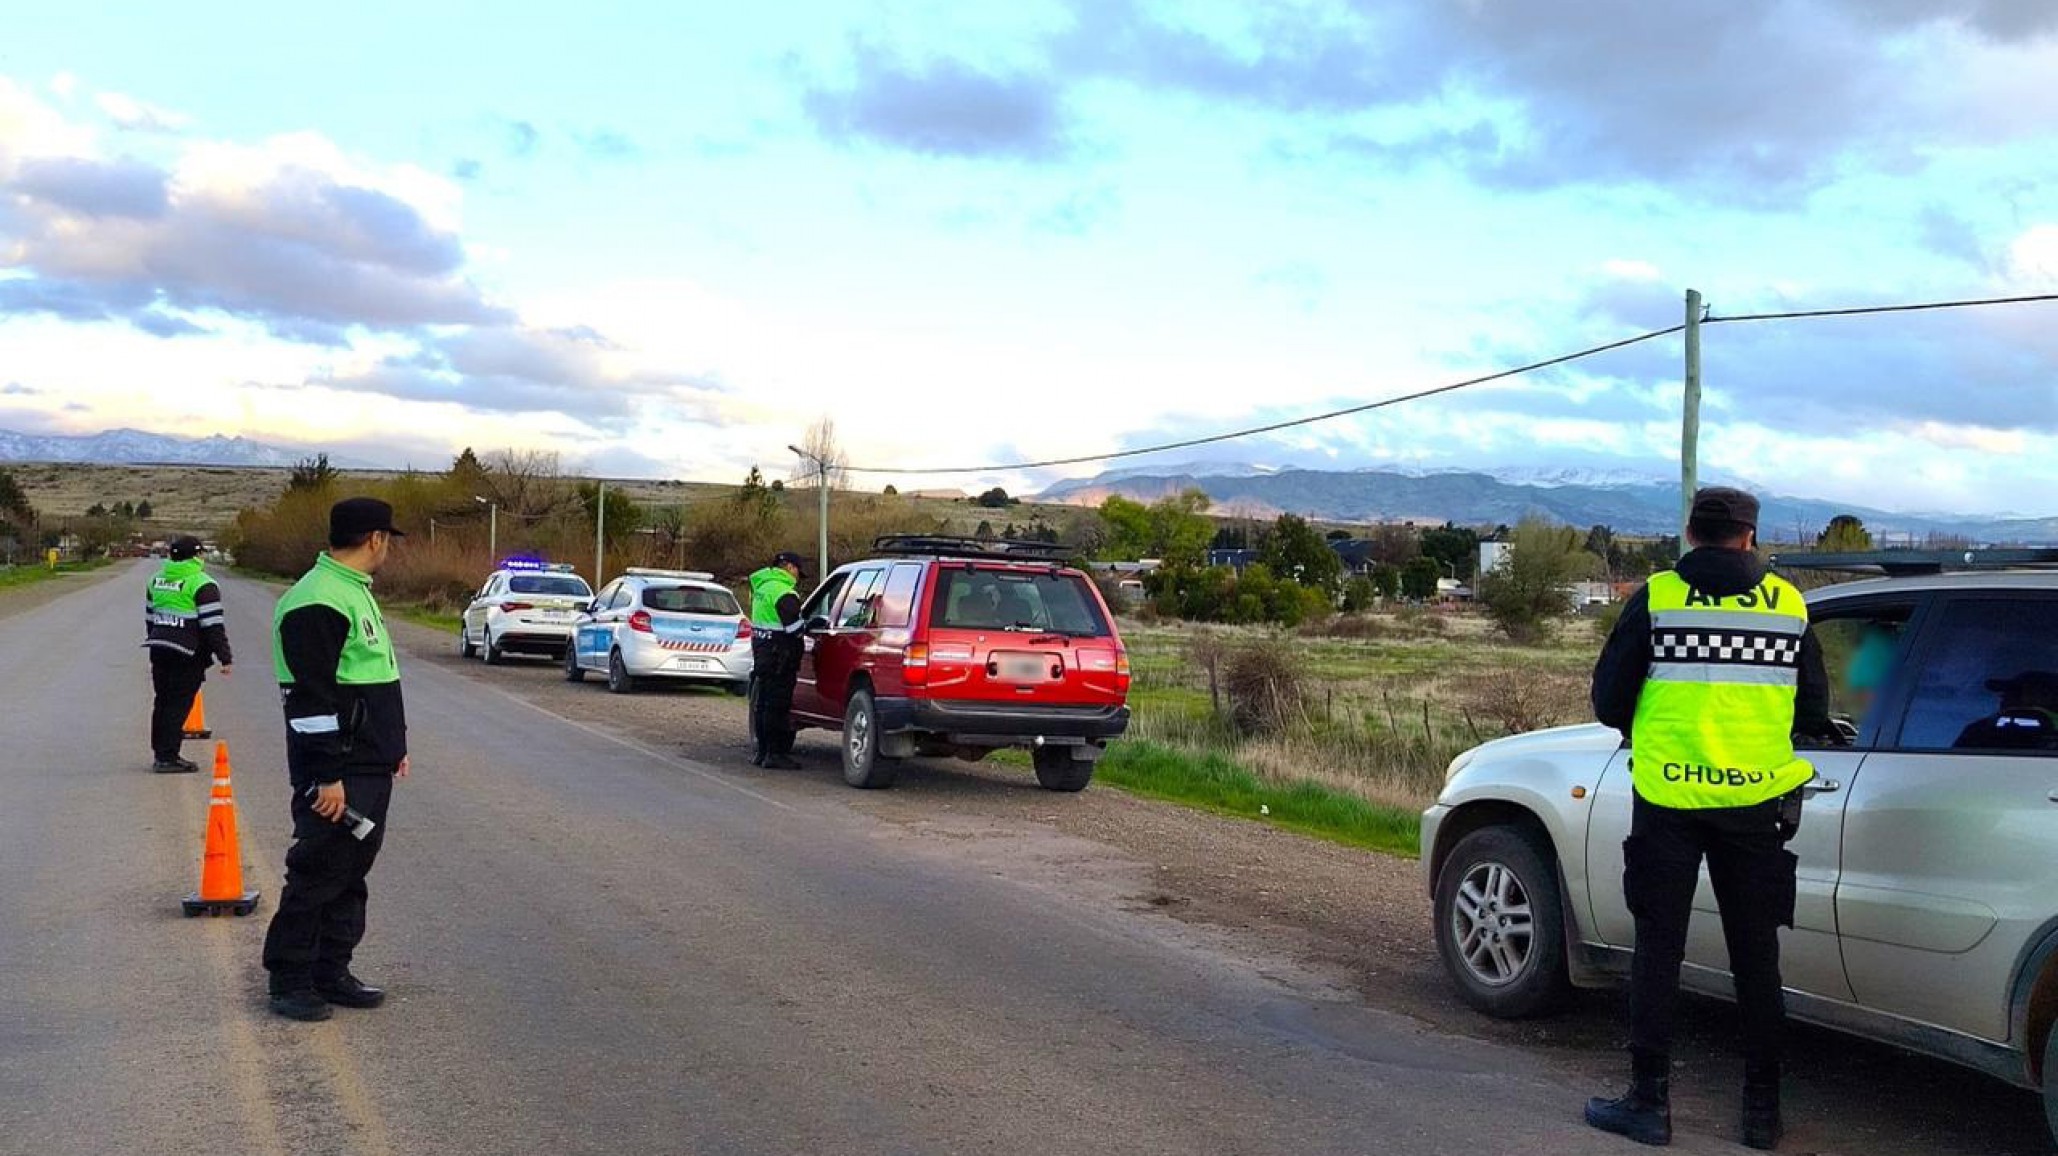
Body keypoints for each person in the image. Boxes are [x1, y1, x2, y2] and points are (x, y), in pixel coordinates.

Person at [1586, 487, 1834, 1151]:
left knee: (1658, 949)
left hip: (1667, 798)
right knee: (1756, 954)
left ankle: (1649, 1104)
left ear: (1691, 533)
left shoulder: (1659, 596)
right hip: (1754, 803)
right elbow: (1813, 709)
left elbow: (1609, 701)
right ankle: (1762, 1114)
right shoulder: (1787, 604)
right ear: (1750, 537)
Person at [261, 498, 410, 1022]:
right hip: (337, 770)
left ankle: (331, 970)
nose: (387, 548)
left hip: (365, 764)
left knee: (349, 872)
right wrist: (326, 776)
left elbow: (370, 681)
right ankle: (290, 979)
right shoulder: (318, 599)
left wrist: (393, 748)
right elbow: (311, 700)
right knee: (317, 871)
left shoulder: (351, 591)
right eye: (387, 539)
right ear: (375, 538)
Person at [142, 535, 233, 772]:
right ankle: (168, 757)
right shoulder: (202, 584)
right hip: (188, 653)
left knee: (162, 702)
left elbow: (150, 618)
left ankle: (161, 753)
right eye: (201, 553)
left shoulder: (156, 580)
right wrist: (225, 657)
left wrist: (156, 640)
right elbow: (213, 625)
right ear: (195, 556)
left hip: (159, 648)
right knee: (178, 705)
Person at [747, 551, 807, 769]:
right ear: (790, 567)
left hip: (762, 653)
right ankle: (775, 754)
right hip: (781, 657)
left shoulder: (761, 588)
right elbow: (794, 629)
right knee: (778, 706)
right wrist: (808, 624)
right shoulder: (785, 592)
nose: (798, 577)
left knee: (762, 704)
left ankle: (762, 752)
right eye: (798, 571)